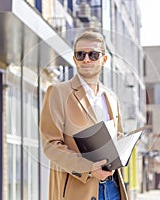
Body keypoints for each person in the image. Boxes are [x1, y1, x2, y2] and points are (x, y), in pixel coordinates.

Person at [40, 31, 128, 200]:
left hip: (113, 187)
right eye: (80, 54)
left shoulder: (111, 98)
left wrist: (124, 144)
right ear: (74, 59)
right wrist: (88, 167)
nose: (86, 59)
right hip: (78, 190)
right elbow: (50, 145)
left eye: (93, 55)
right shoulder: (58, 92)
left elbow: (117, 137)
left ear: (104, 60)